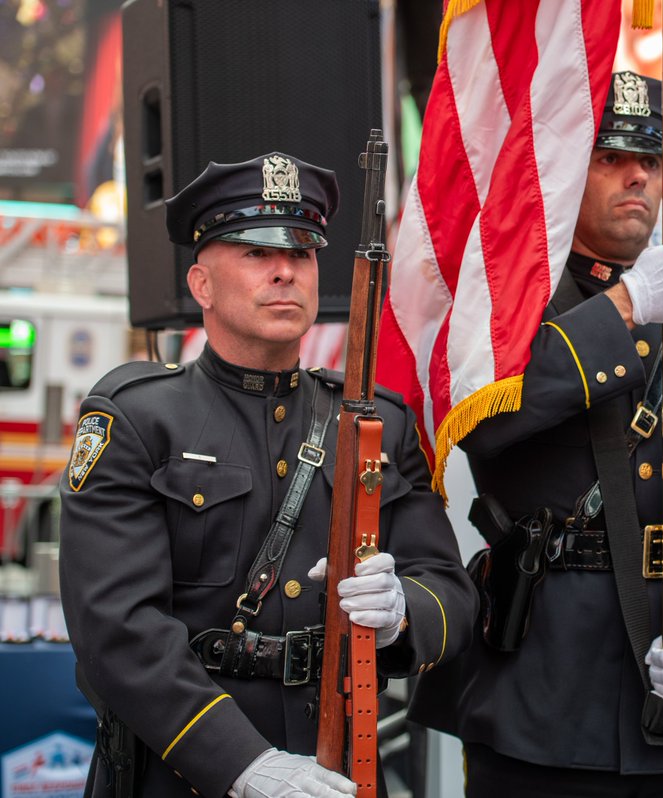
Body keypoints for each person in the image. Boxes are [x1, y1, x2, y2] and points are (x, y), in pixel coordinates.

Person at [408, 70, 663, 797]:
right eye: (610, 158)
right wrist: (623, 309)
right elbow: (488, 426)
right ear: (569, 165)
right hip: (538, 691)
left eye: (653, 160)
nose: (637, 176)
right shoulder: (506, 313)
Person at [58, 152, 476, 798]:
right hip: (184, 770)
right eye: (256, 253)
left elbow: (449, 591)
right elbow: (116, 627)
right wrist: (241, 765)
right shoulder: (139, 418)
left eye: (303, 253)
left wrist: (400, 614)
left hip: (337, 760)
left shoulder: (375, 422)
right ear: (201, 284)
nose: (285, 270)